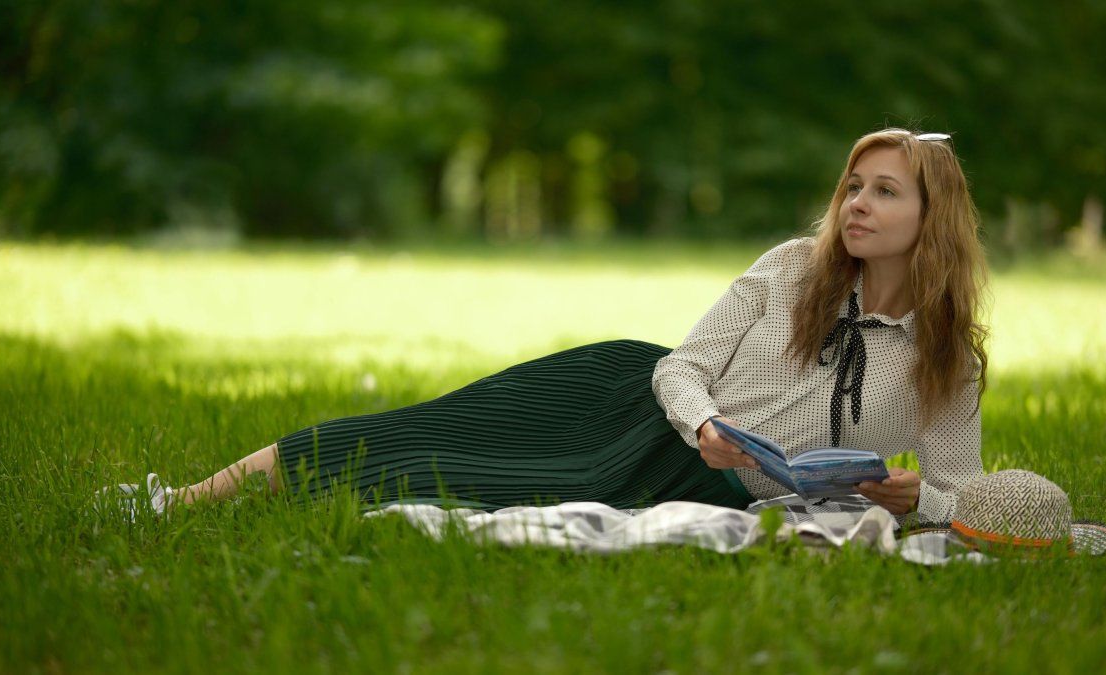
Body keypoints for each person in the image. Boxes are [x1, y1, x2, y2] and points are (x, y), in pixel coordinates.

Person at [99, 127, 988, 525]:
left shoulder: (948, 360)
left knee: (474, 490)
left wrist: (921, 500)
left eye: (884, 191)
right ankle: (180, 500)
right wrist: (707, 424)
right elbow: (680, 366)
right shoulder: (794, 266)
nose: (856, 203)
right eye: (852, 186)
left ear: (932, 217)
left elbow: (963, 491)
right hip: (626, 401)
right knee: (420, 436)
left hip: (708, 491)